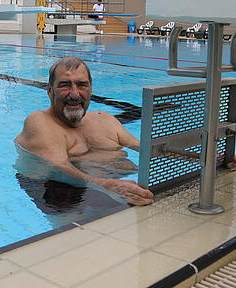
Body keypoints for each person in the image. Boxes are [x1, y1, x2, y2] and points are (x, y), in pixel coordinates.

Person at [15, 57, 154, 206]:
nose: (75, 94)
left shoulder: (104, 120)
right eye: (65, 85)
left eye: (82, 85)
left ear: (91, 89)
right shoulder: (39, 122)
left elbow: (148, 150)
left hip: (105, 185)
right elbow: (57, 167)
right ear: (50, 91)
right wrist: (108, 186)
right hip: (59, 195)